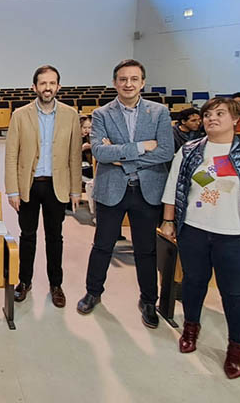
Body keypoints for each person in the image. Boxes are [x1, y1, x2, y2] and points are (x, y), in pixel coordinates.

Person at [160, 97, 240, 379]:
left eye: (219, 114)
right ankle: (191, 328)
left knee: (237, 294)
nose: (211, 118)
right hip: (194, 230)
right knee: (193, 284)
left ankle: (236, 347)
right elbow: (174, 187)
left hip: (237, 237)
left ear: (234, 119)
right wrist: (169, 221)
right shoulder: (189, 151)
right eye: (207, 114)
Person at [77, 59, 174, 328]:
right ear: (115, 82)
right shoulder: (102, 114)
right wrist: (143, 147)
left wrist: (121, 156)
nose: (128, 84)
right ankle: (93, 292)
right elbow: (99, 152)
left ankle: (148, 300)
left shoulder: (159, 113)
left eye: (134, 79)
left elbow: (165, 151)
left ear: (143, 82)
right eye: (122, 79)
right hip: (112, 190)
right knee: (102, 246)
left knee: (146, 249)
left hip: (147, 190)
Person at [4, 65, 82, 307]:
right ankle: (24, 281)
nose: (47, 88)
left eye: (52, 83)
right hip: (28, 185)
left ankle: (55, 284)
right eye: (43, 83)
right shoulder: (20, 115)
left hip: (56, 186)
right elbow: (11, 155)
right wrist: (13, 190)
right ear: (34, 87)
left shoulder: (71, 115)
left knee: (55, 237)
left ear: (58, 86)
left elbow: (75, 155)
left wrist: (75, 189)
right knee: (27, 236)